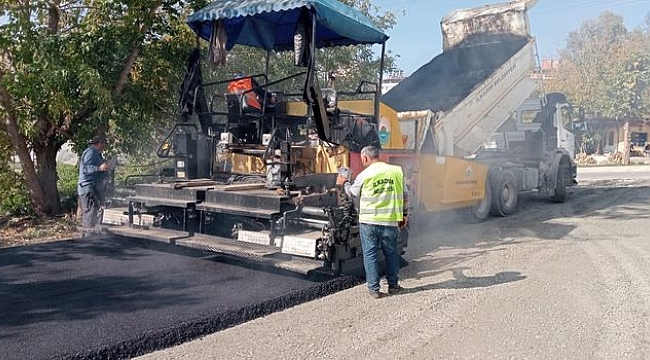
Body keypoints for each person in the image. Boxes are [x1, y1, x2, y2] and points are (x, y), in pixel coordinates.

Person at [336, 146, 407, 298]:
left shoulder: (364, 174)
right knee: (391, 253)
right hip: (389, 220)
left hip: (368, 222)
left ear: (366, 158)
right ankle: (393, 286)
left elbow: (352, 193)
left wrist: (344, 182)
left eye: (362, 160)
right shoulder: (396, 172)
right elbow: (404, 195)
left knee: (370, 255)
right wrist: (404, 215)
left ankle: (374, 289)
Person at [77, 135, 111, 235]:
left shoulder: (96, 153)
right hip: (88, 187)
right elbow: (86, 169)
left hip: (92, 187)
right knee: (89, 212)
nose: (104, 146)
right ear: (99, 143)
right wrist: (99, 168)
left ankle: (90, 235)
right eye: (104, 144)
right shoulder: (91, 152)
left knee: (93, 212)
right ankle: (87, 238)